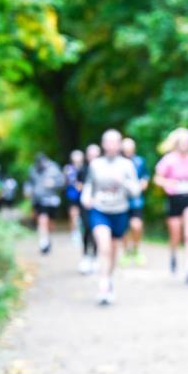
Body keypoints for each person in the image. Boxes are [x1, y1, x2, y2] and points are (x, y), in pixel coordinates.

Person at [80, 130, 141, 304]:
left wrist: (123, 181)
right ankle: (103, 285)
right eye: (108, 142)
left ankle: (109, 278)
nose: (112, 145)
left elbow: (136, 191)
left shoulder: (127, 165)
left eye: (115, 142)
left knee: (113, 250)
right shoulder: (96, 164)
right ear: (103, 144)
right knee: (104, 246)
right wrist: (86, 197)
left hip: (120, 211)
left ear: (120, 144)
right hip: (100, 210)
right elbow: (89, 185)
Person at [154, 127, 188, 286]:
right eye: (183, 142)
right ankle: (174, 253)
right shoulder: (168, 160)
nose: (186, 145)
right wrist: (168, 183)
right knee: (175, 236)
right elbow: (158, 179)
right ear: (177, 143)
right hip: (174, 199)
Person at [25, 153, 64, 254]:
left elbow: (62, 182)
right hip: (39, 199)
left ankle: (47, 238)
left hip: (52, 200)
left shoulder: (54, 169)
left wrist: (53, 183)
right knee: (42, 219)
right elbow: (29, 182)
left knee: (51, 223)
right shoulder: (33, 169)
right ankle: (43, 241)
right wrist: (28, 190)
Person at [120, 137, 150, 266]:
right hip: (120, 201)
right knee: (124, 228)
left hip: (136, 200)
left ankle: (136, 250)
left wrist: (142, 185)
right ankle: (126, 252)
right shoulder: (117, 162)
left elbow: (145, 177)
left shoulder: (140, 161)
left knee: (136, 225)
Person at [77, 144, 100, 274]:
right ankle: (86, 256)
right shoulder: (83, 170)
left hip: (100, 205)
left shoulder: (103, 168)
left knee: (97, 230)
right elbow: (79, 186)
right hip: (85, 205)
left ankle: (95, 257)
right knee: (86, 229)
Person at [64, 149, 85, 246]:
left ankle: (81, 233)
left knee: (82, 216)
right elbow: (67, 181)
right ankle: (74, 233)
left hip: (84, 196)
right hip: (72, 195)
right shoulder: (68, 168)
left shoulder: (85, 167)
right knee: (74, 215)